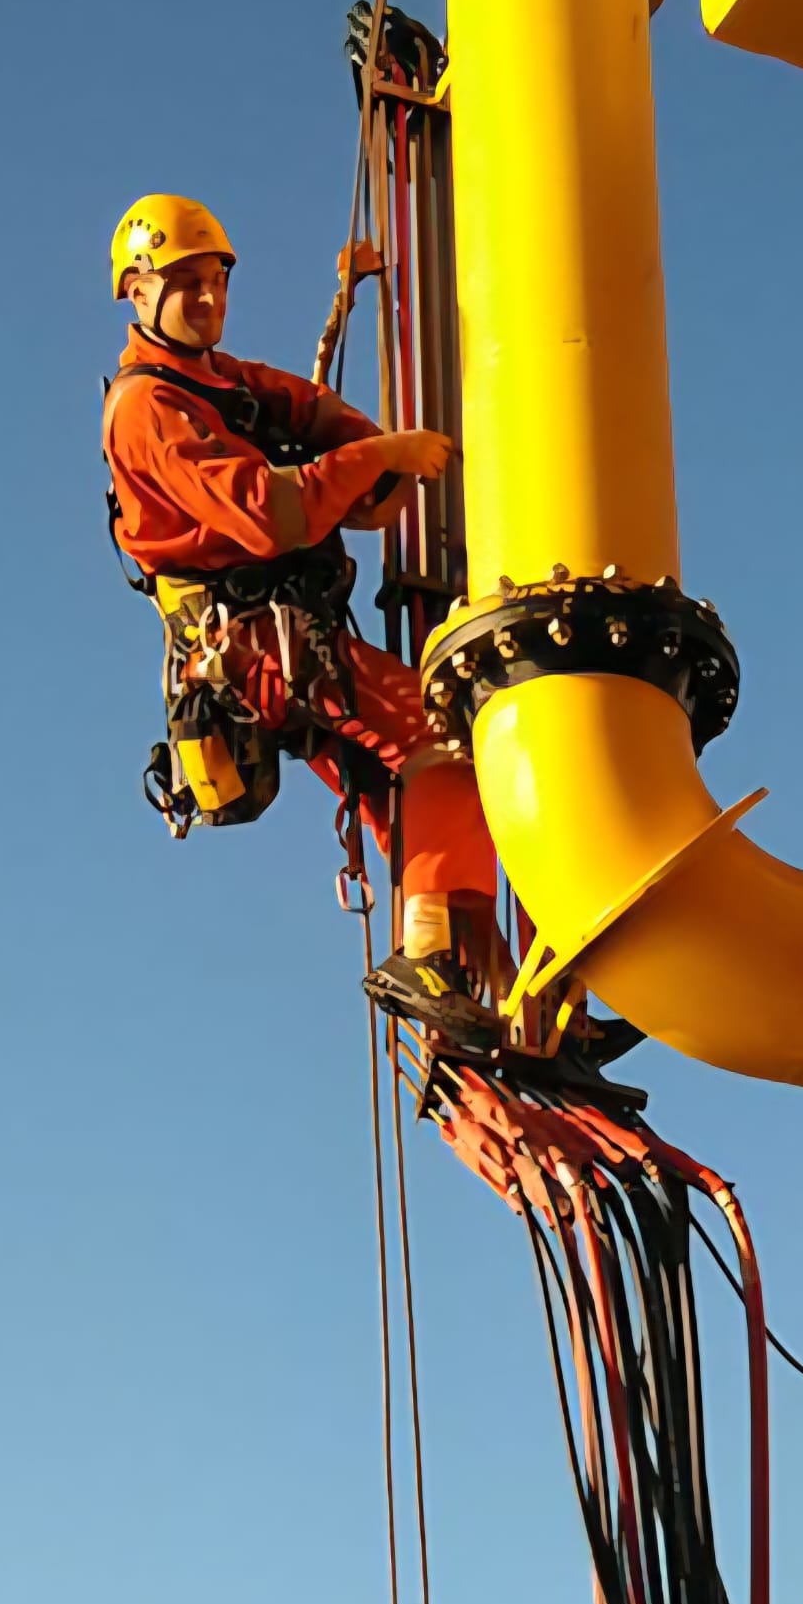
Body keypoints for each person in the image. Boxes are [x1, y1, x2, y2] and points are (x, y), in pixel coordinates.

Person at [103, 193, 499, 1041]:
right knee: (441, 736)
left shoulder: (227, 384)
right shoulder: (147, 408)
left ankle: (494, 980)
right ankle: (428, 956)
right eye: (185, 283)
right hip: (258, 644)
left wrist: (363, 458)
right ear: (137, 291)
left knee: (405, 792)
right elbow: (266, 512)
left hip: (289, 639)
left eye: (216, 280)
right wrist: (381, 457)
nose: (207, 297)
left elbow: (309, 415)